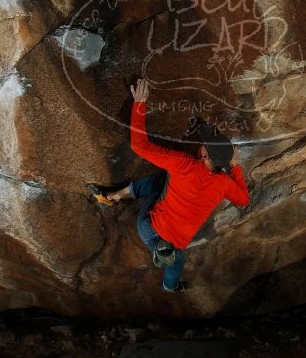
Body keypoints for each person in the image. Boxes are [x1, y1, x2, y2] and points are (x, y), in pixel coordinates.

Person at [89, 78, 250, 292]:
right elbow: (243, 200)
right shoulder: (224, 184)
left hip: (149, 226)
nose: (200, 142)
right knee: (177, 262)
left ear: (204, 155)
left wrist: (140, 103)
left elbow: (140, 146)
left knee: (159, 183)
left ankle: (112, 197)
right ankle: (170, 287)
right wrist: (236, 168)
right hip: (173, 241)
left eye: (204, 144)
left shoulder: (184, 164)